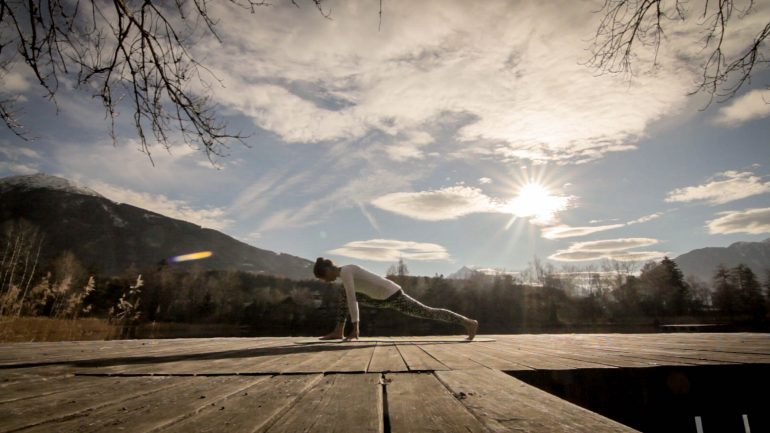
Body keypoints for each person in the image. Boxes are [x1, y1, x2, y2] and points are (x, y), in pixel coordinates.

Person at [313, 257, 479, 341]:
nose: (325, 281)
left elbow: (352, 298)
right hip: (379, 299)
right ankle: (339, 331)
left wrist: (356, 326)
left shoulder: (347, 271)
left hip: (393, 295)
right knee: (344, 294)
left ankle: (468, 322)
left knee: (428, 312)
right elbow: (351, 298)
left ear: (328, 269)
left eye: (323, 277)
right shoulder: (344, 275)